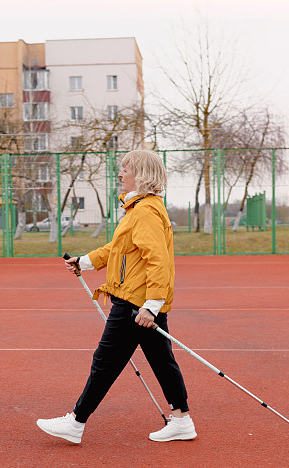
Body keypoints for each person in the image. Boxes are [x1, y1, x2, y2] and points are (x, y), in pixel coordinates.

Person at [36, 149, 195, 444]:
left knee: (105, 362)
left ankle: (76, 422)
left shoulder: (146, 211)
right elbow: (118, 249)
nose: (120, 174)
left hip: (136, 303)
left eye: (125, 169)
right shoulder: (139, 209)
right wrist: (84, 261)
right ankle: (182, 420)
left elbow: (157, 260)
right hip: (140, 301)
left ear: (142, 174)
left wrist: (151, 305)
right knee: (162, 361)